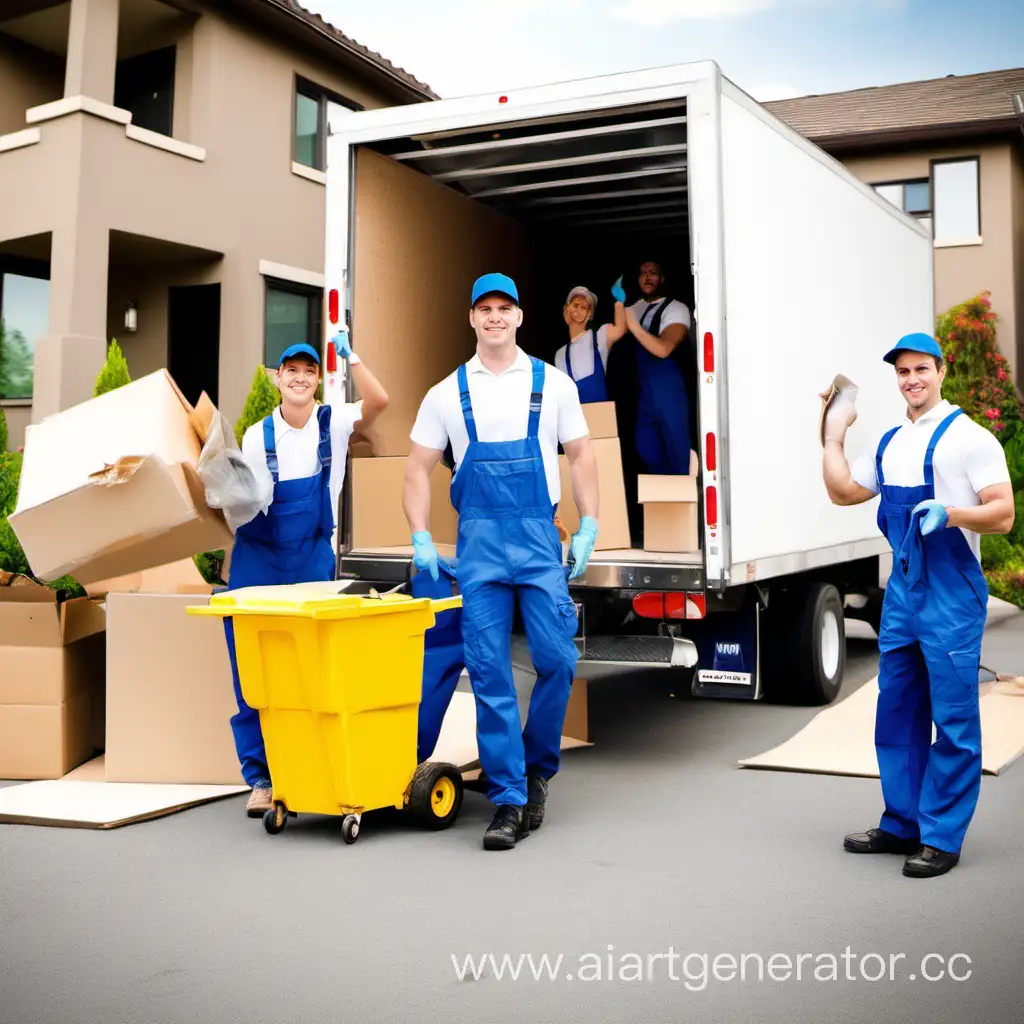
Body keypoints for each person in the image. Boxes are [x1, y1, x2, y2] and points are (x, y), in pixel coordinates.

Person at [403, 273, 600, 851]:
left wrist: (589, 524)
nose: (494, 317)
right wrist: (419, 536)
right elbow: (417, 469)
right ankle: (509, 800)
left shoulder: (553, 383)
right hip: (480, 547)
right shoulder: (446, 393)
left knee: (558, 660)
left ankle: (537, 768)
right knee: (487, 671)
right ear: (471, 319)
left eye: (503, 308)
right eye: (483, 309)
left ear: (519, 316)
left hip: (541, 542)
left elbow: (582, 457)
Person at [822, 332, 1014, 878]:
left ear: (941, 372)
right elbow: (841, 491)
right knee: (898, 708)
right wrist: (833, 431)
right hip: (904, 593)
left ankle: (942, 836)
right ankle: (901, 821)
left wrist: (951, 514)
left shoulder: (970, 439)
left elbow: (1002, 513)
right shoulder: (890, 442)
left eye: (921, 369)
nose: (912, 379)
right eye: (903, 372)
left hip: (952, 591)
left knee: (952, 718)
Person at [227, 337, 389, 817]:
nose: (299, 377)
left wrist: (352, 355)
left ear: (318, 380)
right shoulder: (257, 435)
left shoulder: (334, 422)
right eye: (290, 370)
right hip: (259, 557)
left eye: (308, 371)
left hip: (312, 558)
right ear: (276, 378)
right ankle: (261, 777)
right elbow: (242, 502)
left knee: (312, 665)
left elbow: (380, 401)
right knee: (253, 667)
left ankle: (312, 765)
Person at [622, 259, 693, 475]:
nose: (647, 276)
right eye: (643, 272)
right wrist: (618, 302)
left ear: (662, 279)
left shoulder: (676, 308)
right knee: (645, 448)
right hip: (645, 395)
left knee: (677, 450)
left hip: (669, 393)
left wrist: (633, 326)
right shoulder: (638, 308)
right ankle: (663, 496)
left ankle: (683, 500)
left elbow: (664, 349)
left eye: (653, 272)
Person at [553, 280, 627, 403]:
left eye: (584, 307)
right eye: (575, 305)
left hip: (600, 416)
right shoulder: (561, 354)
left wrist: (619, 302)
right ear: (566, 309)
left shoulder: (600, 336)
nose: (579, 310)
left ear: (589, 314)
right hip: (575, 417)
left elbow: (620, 328)